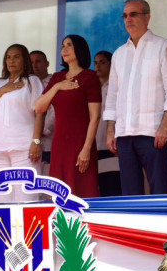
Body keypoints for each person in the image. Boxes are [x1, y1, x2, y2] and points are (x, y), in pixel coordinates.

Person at [105, 0, 167, 195]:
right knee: (130, 192)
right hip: (124, 133)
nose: (128, 19)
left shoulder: (163, 46)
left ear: (147, 17)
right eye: (125, 16)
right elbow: (112, 95)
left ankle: (158, 225)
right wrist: (110, 130)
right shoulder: (119, 54)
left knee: (159, 189)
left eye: (133, 14)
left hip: (153, 132)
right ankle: (133, 225)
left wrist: (165, 126)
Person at [35, 35, 101, 198]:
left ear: (79, 48)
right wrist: (57, 87)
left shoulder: (89, 77)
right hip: (59, 144)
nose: (64, 49)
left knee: (82, 189)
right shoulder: (57, 78)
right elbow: (38, 107)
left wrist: (86, 148)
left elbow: (95, 117)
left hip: (81, 143)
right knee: (59, 189)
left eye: (69, 45)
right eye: (62, 46)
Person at [0, 44, 45, 202]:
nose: (11, 61)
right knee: (1, 198)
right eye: (8, 57)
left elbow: (40, 111)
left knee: (26, 196)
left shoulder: (32, 81)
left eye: (16, 57)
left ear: (24, 60)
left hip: (24, 147)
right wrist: (4, 89)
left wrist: (36, 141)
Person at [94, 51, 121, 196]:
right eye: (96, 62)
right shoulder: (93, 87)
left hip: (111, 143)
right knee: (98, 185)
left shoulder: (117, 85)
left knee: (113, 183)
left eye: (102, 62)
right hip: (95, 143)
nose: (98, 66)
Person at [31, 50, 55, 167]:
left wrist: (40, 131)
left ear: (47, 63)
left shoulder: (54, 83)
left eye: (38, 61)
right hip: (28, 143)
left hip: (49, 142)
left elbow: (55, 111)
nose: (34, 65)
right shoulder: (27, 84)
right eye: (31, 62)